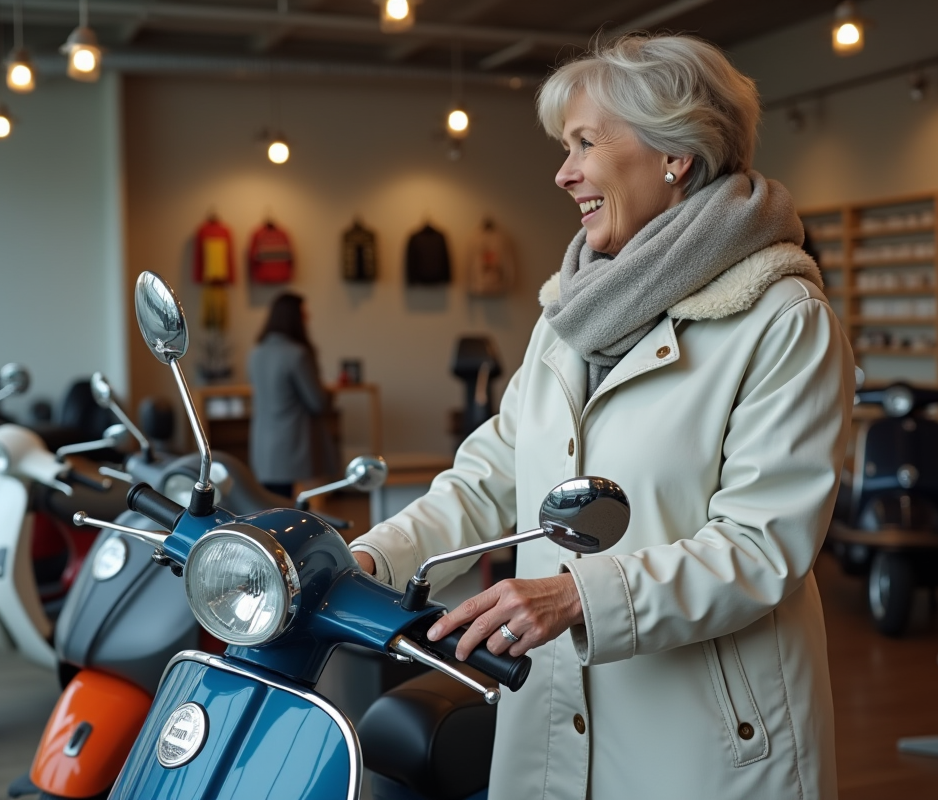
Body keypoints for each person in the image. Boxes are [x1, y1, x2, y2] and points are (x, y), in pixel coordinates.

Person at [349, 33, 852, 800]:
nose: (563, 171)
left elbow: (764, 545)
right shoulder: (569, 315)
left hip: (707, 738)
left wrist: (581, 595)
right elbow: (490, 478)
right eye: (565, 145)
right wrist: (370, 560)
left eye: (584, 142)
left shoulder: (782, 319)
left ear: (674, 153)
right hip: (552, 713)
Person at [247, 292, 329, 498]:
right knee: (293, 511)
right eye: (304, 313)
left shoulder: (257, 352)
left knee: (270, 509)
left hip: (262, 447)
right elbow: (317, 402)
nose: (308, 318)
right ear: (294, 318)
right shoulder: (297, 354)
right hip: (290, 446)